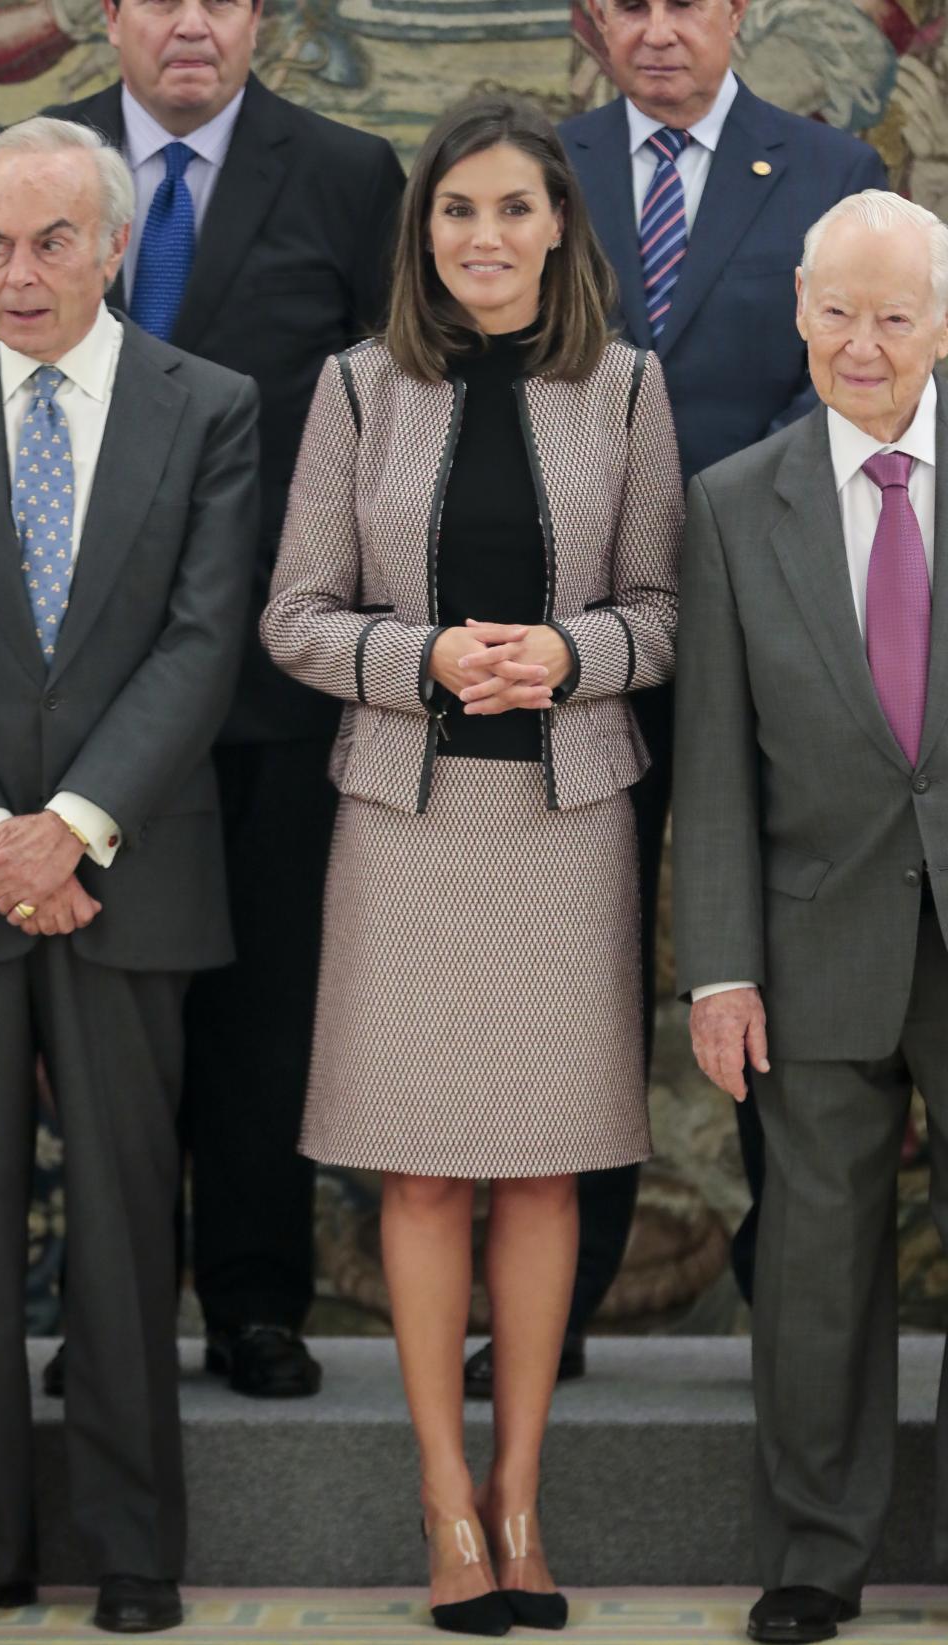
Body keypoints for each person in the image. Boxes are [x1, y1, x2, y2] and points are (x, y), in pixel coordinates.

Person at [261, 94, 682, 1634]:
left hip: (566, 825)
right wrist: (421, 653)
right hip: (407, 824)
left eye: (512, 209)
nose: (483, 237)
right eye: (456, 212)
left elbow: (665, 608)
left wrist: (571, 654)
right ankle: (446, 1505)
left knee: (547, 1165)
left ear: (560, 227)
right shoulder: (359, 389)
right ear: (421, 235)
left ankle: (523, 1499)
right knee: (423, 1166)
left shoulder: (627, 390)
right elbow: (296, 613)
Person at [486, 0, 889, 1384]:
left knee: (783, 961)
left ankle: (802, 1299)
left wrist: (720, 524)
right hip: (578, 641)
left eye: (689, 2)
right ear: (594, 21)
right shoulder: (535, 165)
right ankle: (561, 1299)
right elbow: (494, 375)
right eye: (629, 4)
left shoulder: (832, 174)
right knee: (566, 976)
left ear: (738, 13)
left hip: (780, 637)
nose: (658, 30)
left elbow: (853, 391)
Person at [43, 0, 405, 1400]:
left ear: (263, 20)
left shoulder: (348, 174)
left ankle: (256, 1299)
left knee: (263, 1004)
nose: (190, 22)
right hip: (74, 689)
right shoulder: (37, 160)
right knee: (103, 1026)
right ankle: (110, 1316)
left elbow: (388, 405)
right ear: (108, 19)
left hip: (274, 676)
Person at [0, 117, 258, 1631]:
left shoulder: (206, 405)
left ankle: (133, 1544)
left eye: (45, 242)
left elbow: (204, 637)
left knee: (126, 1216)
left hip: (128, 872)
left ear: (109, 247)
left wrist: (72, 824)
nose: (16, 275)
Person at [673, 187, 948, 1645]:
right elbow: (710, 762)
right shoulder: (732, 501)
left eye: (894, 314)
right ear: (797, 312)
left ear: (944, 328)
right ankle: (817, 1552)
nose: (862, 342)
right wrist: (718, 967)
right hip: (811, 936)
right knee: (817, 1267)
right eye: (836, 310)